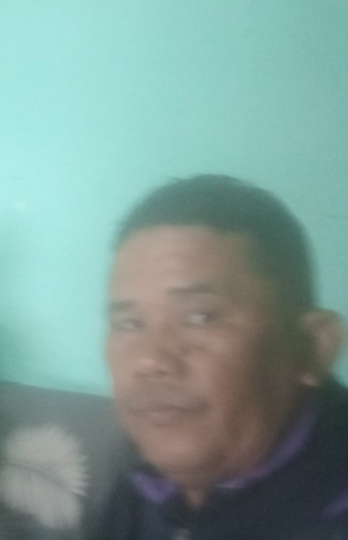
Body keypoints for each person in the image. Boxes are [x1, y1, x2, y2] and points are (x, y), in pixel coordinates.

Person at [102, 175, 347, 539]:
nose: (149, 360)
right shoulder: (143, 473)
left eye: (201, 316)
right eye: (129, 323)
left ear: (313, 348)